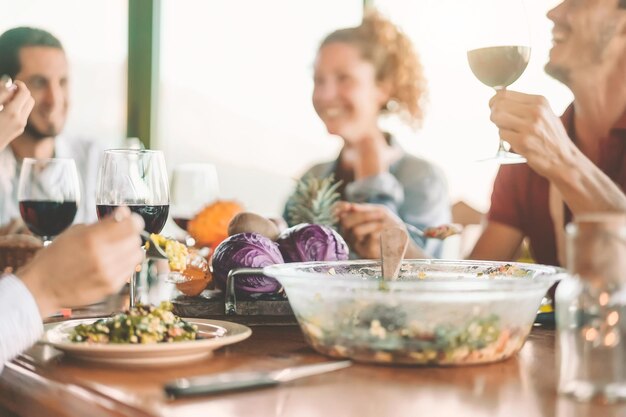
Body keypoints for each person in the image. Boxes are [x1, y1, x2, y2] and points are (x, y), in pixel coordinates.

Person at [468, 0, 626, 266]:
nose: (552, 12)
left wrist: (563, 162)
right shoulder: (531, 146)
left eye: (577, 2)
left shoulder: (545, 147)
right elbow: (476, 284)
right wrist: (403, 254)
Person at [286, 10, 451, 259]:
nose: (324, 95)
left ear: (382, 89)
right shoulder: (312, 176)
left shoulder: (423, 178)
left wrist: (373, 181)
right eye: (319, 80)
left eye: (344, 78)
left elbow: (422, 277)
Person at [0, 26, 102, 231]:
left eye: (62, 82)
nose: (55, 99)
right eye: (39, 82)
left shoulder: (95, 158)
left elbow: (147, 244)